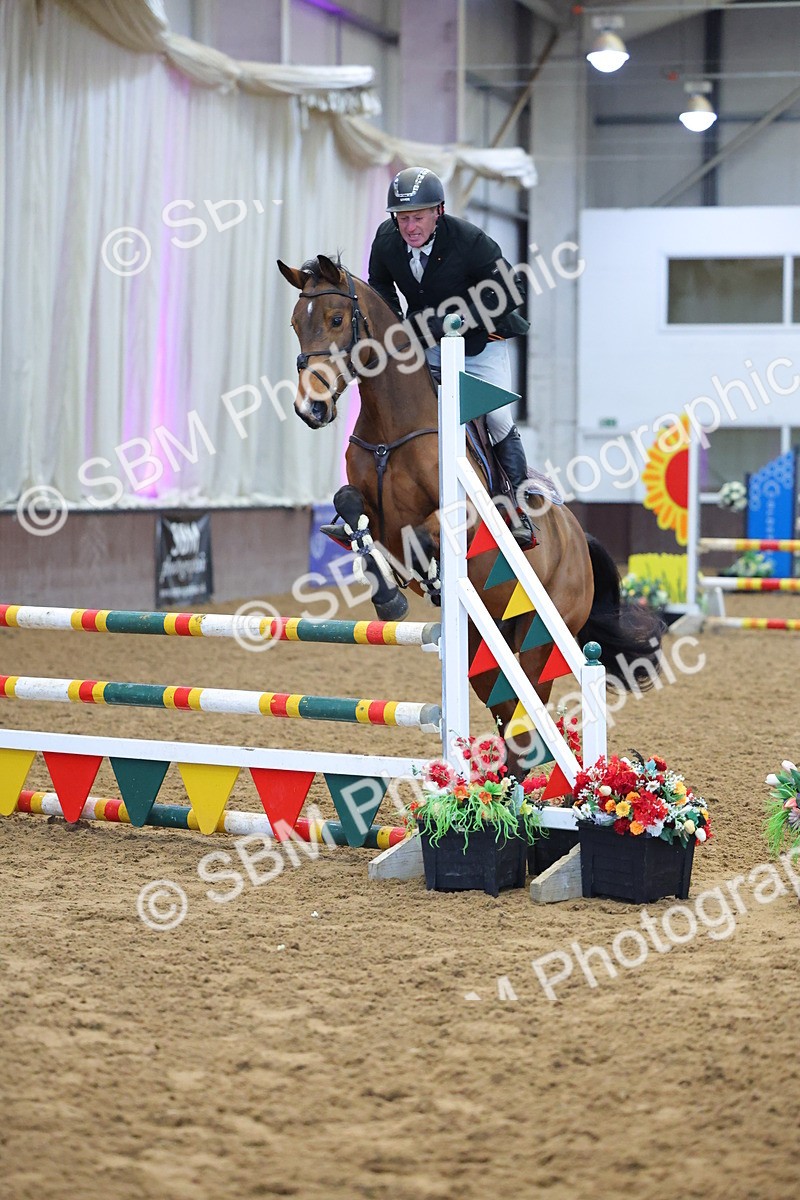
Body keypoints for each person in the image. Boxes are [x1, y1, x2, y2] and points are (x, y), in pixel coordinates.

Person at [368, 165, 535, 545]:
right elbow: (379, 282)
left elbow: (513, 290)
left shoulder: (469, 240)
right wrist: (397, 323)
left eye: (418, 217)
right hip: (427, 341)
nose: (409, 228)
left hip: (480, 345)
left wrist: (460, 320)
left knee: (495, 416)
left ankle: (518, 505)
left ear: (438, 211)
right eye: (403, 218)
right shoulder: (387, 239)